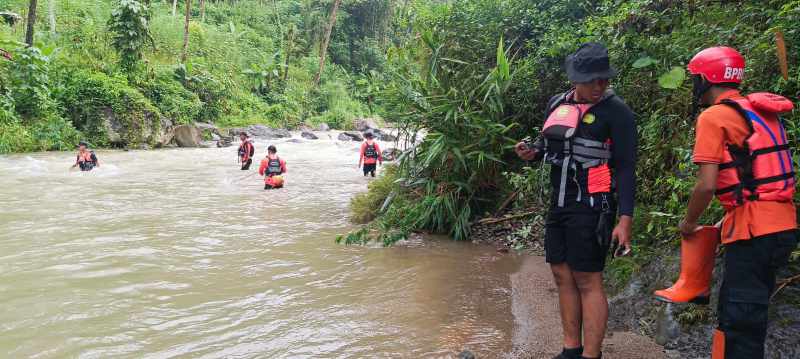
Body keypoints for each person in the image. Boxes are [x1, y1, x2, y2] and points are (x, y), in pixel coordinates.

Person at [669, 46, 797, 359]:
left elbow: (707, 185)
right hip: (782, 226)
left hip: (754, 232)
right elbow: (756, 179)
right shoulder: (758, 111)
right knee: (742, 311)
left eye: (695, 79)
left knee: (740, 322)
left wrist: (688, 223)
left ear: (706, 79)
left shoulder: (713, 117)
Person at [514, 42, 638, 359]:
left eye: (604, 79)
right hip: (559, 203)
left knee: (587, 278)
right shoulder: (558, 103)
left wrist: (625, 220)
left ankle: (591, 355)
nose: (599, 86)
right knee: (561, 274)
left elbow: (625, 168)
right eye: (592, 80)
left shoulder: (617, 112)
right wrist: (533, 153)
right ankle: (571, 348)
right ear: (575, 78)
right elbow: (548, 145)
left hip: (593, 205)